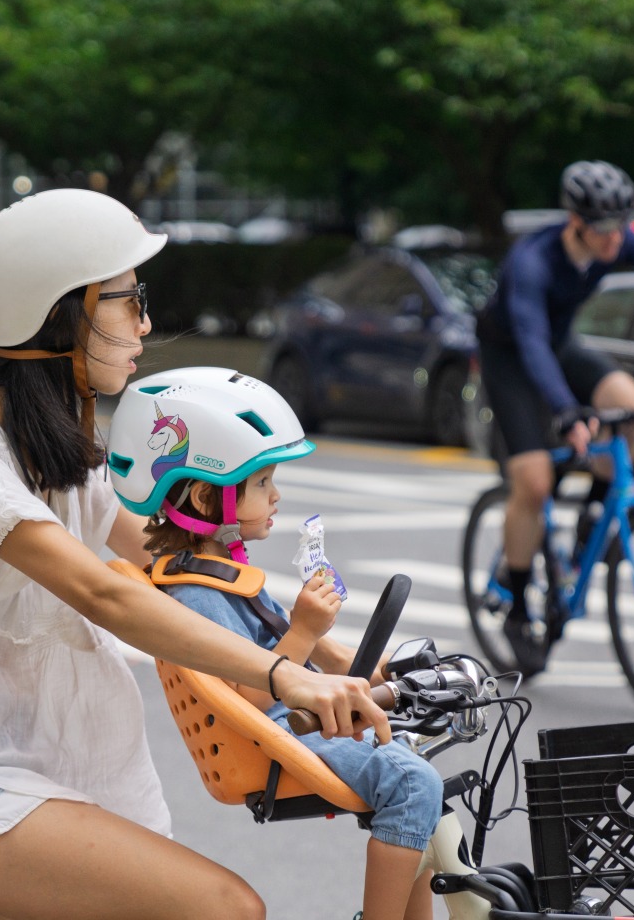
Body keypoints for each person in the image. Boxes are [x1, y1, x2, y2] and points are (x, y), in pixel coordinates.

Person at [0, 188, 382, 920]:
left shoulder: (55, 445)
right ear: (60, 312)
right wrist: (284, 676)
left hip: (28, 765)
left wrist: (339, 661)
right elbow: (106, 594)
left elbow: (177, 567)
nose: (145, 323)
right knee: (223, 909)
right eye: (128, 301)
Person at [107, 365, 443, 920]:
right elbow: (252, 691)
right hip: (276, 733)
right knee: (412, 784)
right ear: (205, 497)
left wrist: (383, 667)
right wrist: (304, 629)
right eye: (261, 483)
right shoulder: (195, 593)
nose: (276, 494)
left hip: (294, 718)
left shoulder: (218, 574)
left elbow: (309, 659)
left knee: (416, 766)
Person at [474, 160, 634, 674]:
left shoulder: (616, 240)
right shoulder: (531, 262)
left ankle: (594, 511)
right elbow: (530, 343)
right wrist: (567, 411)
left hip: (560, 345)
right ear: (576, 222)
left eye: (622, 226)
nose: (616, 239)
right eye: (605, 229)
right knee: (534, 483)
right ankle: (518, 608)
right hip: (511, 356)